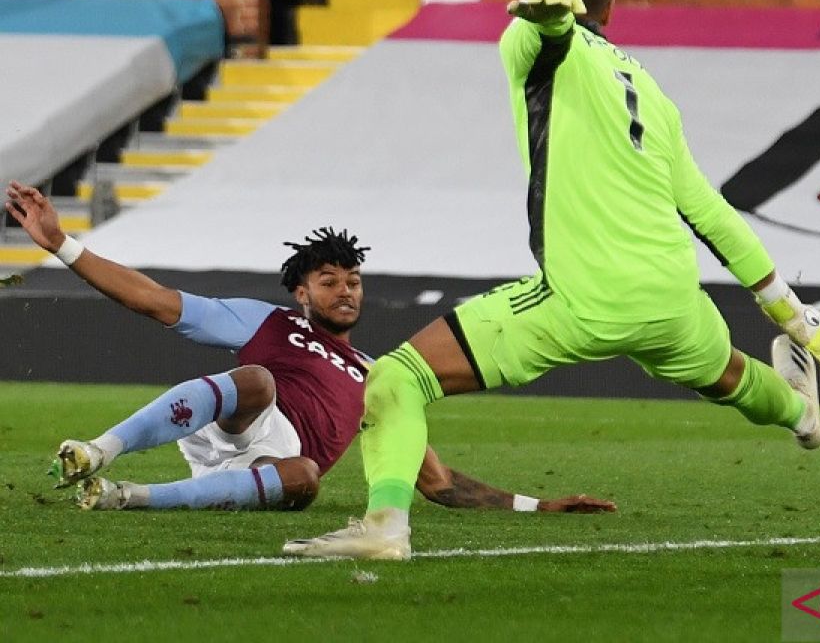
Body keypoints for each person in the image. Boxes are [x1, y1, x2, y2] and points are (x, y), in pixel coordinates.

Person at [283, 0, 820, 561]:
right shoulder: (650, 92)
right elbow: (711, 214)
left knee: (398, 375)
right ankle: (803, 418)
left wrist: (546, 19)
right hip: (672, 297)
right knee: (726, 373)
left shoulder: (536, 46)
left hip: (580, 299)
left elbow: (539, 38)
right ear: (611, 8)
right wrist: (794, 316)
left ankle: (385, 527)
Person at [4, 181, 615, 515]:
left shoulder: (380, 376)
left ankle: (126, 498)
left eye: (353, 281)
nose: (345, 292)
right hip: (237, 427)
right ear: (302, 292)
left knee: (308, 478)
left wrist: (539, 507)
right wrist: (62, 244)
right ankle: (99, 451)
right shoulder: (266, 322)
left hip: (273, 471)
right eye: (329, 281)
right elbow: (156, 301)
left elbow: (435, 480)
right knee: (260, 381)